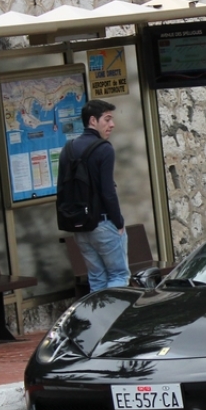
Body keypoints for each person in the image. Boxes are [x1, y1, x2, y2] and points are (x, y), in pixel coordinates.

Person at [59, 100, 128, 291]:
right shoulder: (104, 149)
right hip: (104, 223)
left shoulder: (68, 148)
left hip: (80, 227)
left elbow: (62, 189)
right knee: (118, 275)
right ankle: (115, 319)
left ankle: (100, 321)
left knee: (97, 278)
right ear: (92, 120)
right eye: (107, 119)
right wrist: (119, 222)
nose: (111, 124)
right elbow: (108, 191)